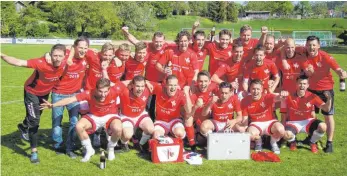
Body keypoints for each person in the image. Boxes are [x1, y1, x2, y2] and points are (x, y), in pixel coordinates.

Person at [1, 44, 68, 163]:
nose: (57, 58)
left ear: (64, 56)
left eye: (60, 56)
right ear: (51, 55)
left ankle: (23, 126)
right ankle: (34, 152)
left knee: (35, 117)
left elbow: (72, 46)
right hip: (31, 92)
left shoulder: (65, 60)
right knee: (35, 121)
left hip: (45, 94)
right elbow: (19, 62)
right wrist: (2, 55)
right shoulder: (41, 63)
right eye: (54, 55)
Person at [40, 78, 123, 162]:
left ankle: (111, 148)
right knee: (79, 126)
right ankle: (89, 150)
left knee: (118, 128)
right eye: (100, 91)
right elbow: (70, 99)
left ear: (109, 89)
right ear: (96, 89)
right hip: (94, 116)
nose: (103, 94)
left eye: (105, 92)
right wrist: (53, 105)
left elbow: (128, 83)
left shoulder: (115, 90)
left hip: (110, 115)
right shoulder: (89, 93)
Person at [302, 36, 347, 153]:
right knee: (311, 115)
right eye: (309, 45)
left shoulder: (326, 57)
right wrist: (309, 72)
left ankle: (329, 143)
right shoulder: (304, 57)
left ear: (318, 45)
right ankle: (312, 138)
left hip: (326, 90)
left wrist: (342, 73)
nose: (311, 47)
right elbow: (307, 73)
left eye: (313, 45)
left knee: (328, 116)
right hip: (311, 90)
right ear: (306, 46)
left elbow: (337, 69)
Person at [50, 37, 89, 158]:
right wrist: (47, 55)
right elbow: (53, 53)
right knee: (57, 122)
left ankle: (69, 147)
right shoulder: (65, 56)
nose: (83, 50)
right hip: (58, 94)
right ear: (74, 47)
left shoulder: (87, 58)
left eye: (85, 48)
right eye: (80, 47)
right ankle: (58, 145)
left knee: (74, 122)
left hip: (75, 95)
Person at [281, 75, 331, 153]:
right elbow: (283, 114)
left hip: (308, 121)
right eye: (300, 83)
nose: (302, 86)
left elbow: (326, 108)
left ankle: (312, 142)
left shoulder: (312, 96)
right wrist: (282, 129)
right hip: (293, 122)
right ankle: (292, 142)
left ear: (308, 85)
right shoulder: (288, 96)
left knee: (323, 126)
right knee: (287, 134)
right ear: (296, 84)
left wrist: (329, 99)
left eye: (304, 84)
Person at [241, 79, 288, 154]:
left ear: (262, 89)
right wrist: (246, 133)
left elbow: (278, 98)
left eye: (258, 89)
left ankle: (273, 143)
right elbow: (245, 120)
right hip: (256, 123)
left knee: (281, 130)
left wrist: (282, 94)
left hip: (270, 122)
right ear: (250, 89)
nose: (255, 91)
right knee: (250, 134)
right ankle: (258, 143)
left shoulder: (267, 97)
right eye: (253, 89)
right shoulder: (245, 101)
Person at [118, 76, 154, 153]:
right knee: (127, 135)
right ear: (132, 85)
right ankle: (123, 143)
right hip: (126, 116)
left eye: (142, 86)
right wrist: (130, 81)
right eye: (137, 86)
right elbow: (116, 84)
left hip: (141, 115)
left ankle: (141, 144)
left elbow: (164, 85)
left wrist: (147, 82)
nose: (140, 89)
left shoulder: (148, 89)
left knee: (151, 129)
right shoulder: (124, 91)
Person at [184, 71, 218, 150]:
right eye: (201, 81)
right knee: (188, 117)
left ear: (210, 81)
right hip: (195, 122)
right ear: (197, 82)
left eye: (205, 81)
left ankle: (213, 139)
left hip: (207, 122)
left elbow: (226, 92)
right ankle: (192, 144)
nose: (203, 84)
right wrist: (196, 106)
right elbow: (188, 114)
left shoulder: (214, 88)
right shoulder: (193, 92)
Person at [151, 75, 192, 140]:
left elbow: (189, 110)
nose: (173, 88)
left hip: (174, 121)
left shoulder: (180, 94)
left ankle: (172, 136)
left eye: (175, 85)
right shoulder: (159, 88)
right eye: (170, 85)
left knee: (180, 133)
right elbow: (143, 82)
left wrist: (186, 93)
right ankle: (166, 137)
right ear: (166, 85)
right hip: (161, 122)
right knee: (157, 136)